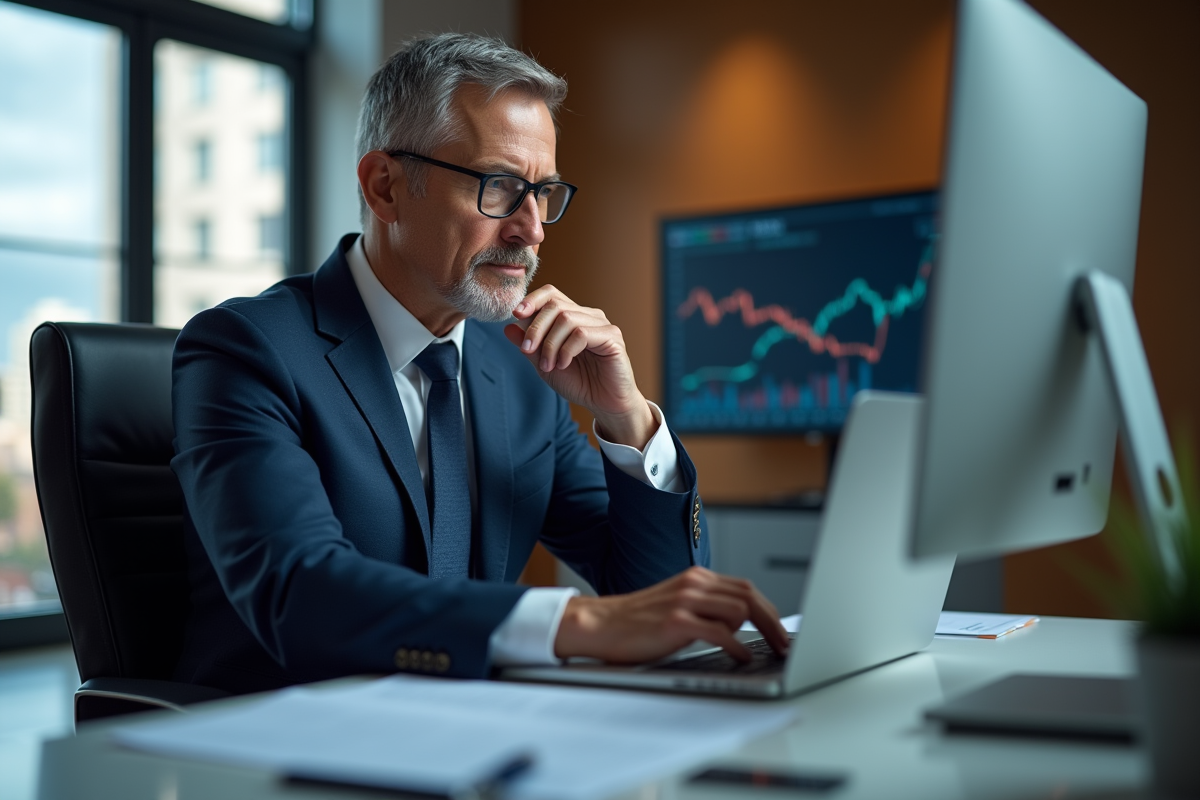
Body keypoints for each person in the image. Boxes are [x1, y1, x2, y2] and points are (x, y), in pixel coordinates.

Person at [171, 32, 787, 694]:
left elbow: (659, 601)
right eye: (499, 187)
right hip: (282, 751)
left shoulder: (521, 373)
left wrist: (626, 418)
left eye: (543, 192)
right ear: (385, 188)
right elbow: (301, 591)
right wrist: (569, 623)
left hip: (477, 741)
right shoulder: (244, 350)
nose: (532, 229)